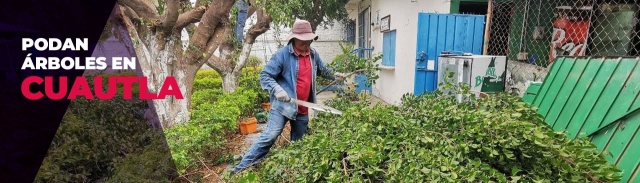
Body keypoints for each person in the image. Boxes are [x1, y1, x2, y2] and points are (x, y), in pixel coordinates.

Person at [232, 20, 346, 173]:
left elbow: (323, 70)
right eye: (302, 42)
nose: (306, 45)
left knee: (299, 144)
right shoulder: (282, 55)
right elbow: (265, 76)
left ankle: (293, 172)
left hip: (303, 108)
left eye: (309, 41)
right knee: (270, 136)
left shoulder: (313, 54)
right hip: (282, 107)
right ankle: (239, 169)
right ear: (294, 39)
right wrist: (277, 89)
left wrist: (334, 75)